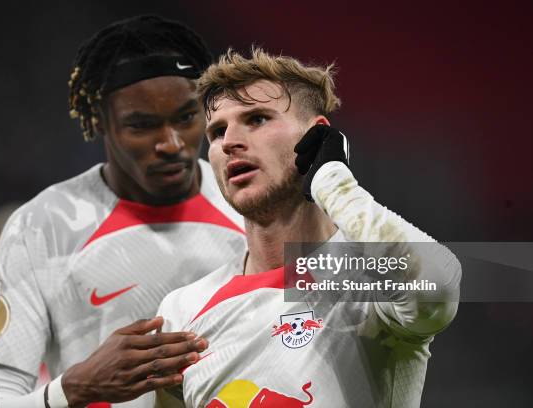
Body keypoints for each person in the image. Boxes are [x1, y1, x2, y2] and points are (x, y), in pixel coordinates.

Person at [156, 49, 461, 407]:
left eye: (256, 119)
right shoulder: (183, 309)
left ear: (316, 137)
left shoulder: (369, 277)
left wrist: (333, 182)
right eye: (218, 131)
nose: (230, 142)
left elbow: (437, 288)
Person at [0, 16, 246, 408]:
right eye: (142, 125)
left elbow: (363, 303)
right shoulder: (40, 228)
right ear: (99, 120)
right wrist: (74, 388)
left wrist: (333, 189)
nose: (171, 144)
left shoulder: (254, 204)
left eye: (186, 118)